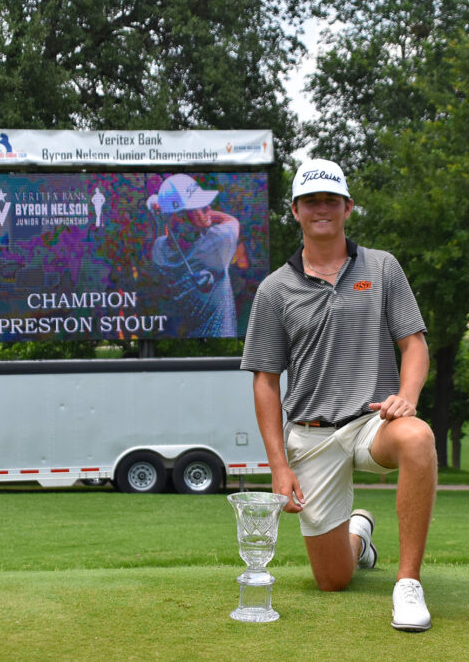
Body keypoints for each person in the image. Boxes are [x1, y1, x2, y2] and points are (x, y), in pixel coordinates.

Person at [240, 158, 437, 632]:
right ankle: (359, 536)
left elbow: (415, 345)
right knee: (332, 579)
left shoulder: (382, 267)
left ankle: (407, 584)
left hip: (376, 421)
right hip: (313, 435)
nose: (321, 209)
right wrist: (279, 468)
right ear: (295, 211)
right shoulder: (275, 289)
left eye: (331, 200)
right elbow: (265, 382)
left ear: (348, 207)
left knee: (417, 437)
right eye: (311, 201)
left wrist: (406, 396)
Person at [149, 174, 239, 337]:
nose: (208, 209)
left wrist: (164, 216)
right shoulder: (218, 242)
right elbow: (232, 220)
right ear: (180, 217)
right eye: (199, 205)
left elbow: (165, 237)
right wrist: (211, 216)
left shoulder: (158, 251)